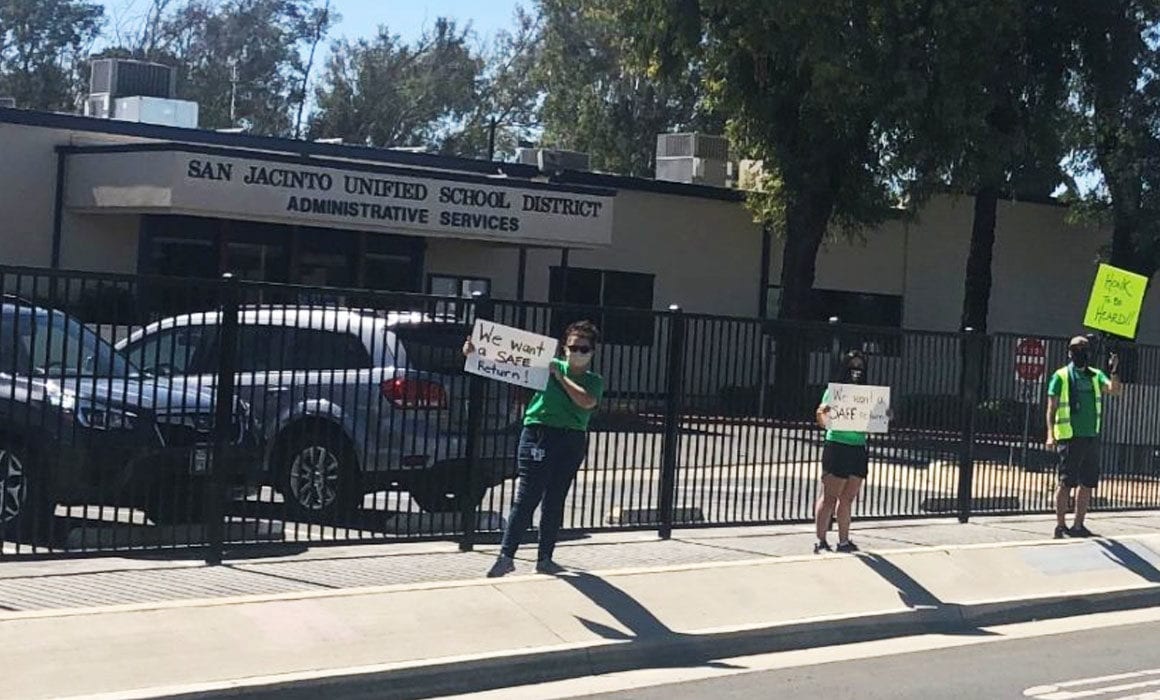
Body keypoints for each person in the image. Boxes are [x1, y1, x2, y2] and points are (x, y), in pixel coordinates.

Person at [464, 320, 605, 577]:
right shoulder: (544, 365)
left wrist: (560, 377)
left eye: (584, 349)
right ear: (564, 347)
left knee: (555, 499)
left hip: (571, 439)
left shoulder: (593, 381)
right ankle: (506, 556)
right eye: (573, 347)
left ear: (592, 352)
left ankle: (545, 557)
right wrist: (475, 351)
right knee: (528, 496)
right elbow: (507, 363)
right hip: (539, 433)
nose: (578, 353)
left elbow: (586, 402)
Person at [1046, 335, 1121, 539]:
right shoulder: (1060, 376)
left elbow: (1114, 390)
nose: (1080, 352)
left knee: (1087, 483)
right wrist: (1050, 435)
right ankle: (1060, 525)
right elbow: (1051, 407)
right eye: (1076, 349)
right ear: (1070, 352)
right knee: (1066, 482)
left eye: (1084, 349)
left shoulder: (1095, 375)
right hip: (1070, 436)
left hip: (1091, 436)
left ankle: (1079, 525)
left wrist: (1113, 369)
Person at [813, 350, 874, 554]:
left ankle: (844, 540)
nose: (856, 371)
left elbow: (873, 422)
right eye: (852, 366)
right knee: (830, 496)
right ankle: (821, 539)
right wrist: (822, 414)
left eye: (860, 367)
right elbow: (822, 418)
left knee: (848, 498)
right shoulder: (835, 392)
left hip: (858, 447)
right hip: (837, 446)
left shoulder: (867, 395)